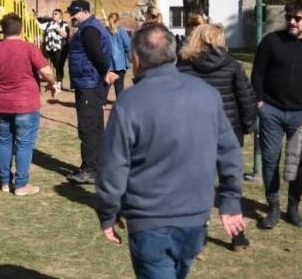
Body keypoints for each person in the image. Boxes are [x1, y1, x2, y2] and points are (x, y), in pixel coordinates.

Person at [96, 22, 245, 278]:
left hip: (152, 222)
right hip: (194, 220)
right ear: (173, 55)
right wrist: (230, 200)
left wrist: (108, 212)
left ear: (136, 59)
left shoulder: (129, 103)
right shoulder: (207, 94)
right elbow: (230, 152)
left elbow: (113, 166)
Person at [251, 0, 302, 229]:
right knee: (270, 160)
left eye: (297, 18)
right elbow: (257, 75)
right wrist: (260, 103)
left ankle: (293, 205)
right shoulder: (271, 41)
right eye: (289, 17)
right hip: (271, 112)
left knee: (301, 164)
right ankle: (273, 205)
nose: (292, 22)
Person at [178, 22, 257, 251]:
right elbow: (246, 99)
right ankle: (237, 236)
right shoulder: (232, 65)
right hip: (227, 133)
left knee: (198, 187)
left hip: (194, 135)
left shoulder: (182, 66)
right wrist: (248, 125)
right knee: (230, 184)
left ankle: (199, 235)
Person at [0, 13, 57, 196]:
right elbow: (46, 72)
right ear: (20, 29)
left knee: (4, 141)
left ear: (3, 30)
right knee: (24, 144)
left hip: (2, 104)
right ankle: (21, 185)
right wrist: (52, 83)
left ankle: (5, 182)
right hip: (26, 104)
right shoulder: (29, 48)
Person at [65, 0, 117, 185]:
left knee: (88, 127)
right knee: (94, 126)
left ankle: (90, 169)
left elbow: (97, 54)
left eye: (75, 13)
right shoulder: (91, 27)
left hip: (89, 83)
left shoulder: (89, 30)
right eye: (71, 13)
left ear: (85, 12)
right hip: (90, 82)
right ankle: (95, 166)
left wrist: (105, 72)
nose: (72, 16)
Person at [105, 12, 131, 106]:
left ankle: (101, 104)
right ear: (118, 21)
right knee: (119, 86)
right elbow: (128, 46)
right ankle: (120, 105)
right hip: (121, 64)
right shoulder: (122, 32)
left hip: (108, 64)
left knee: (105, 85)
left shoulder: (105, 32)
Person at [41, 8, 70, 91]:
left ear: (60, 15)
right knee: (56, 66)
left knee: (59, 65)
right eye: (53, 14)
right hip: (51, 48)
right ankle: (57, 82)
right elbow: (41, 27)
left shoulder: (64, 24)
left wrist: (58, 29)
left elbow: (66, 35)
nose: (53, 15)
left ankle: (59, 83)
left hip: (61, 48)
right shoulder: (49, 24)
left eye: (55, 14)